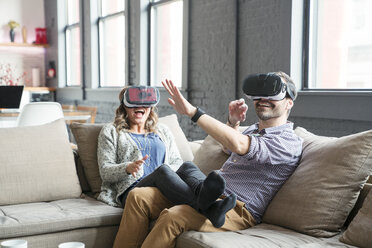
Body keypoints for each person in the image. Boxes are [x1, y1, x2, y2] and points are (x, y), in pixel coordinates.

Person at [112, 71, 303, 248]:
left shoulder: (288, 142)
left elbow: (239, 145)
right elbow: (229, 148)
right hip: (208, 194)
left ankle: (211, 207)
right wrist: (233, 122)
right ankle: (208, 206)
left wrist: (193, 112)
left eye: (273, 95)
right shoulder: (252, 130)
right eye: (260, 95)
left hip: (238, 209)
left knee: (173, 216)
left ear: (289, 103)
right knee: (139, 197)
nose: (264, 100)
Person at [96, 86, 184, 207]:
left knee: (189, 167)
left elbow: (178, 162)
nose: (139, 107)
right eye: (133, 104)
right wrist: (127, 168)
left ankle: (211, 201)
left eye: (144, 103)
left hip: (163, 186)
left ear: (151, 107)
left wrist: (168, 177)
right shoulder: (111, 131)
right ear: (124, 106)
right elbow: (105, 171)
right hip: (133, 190)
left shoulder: (163, 130)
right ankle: (202, 205)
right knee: (162, 171)